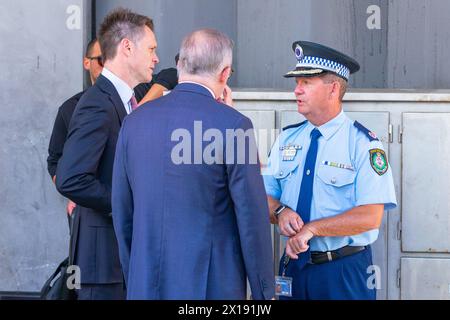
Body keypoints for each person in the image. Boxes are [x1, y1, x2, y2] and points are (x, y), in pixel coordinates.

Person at [111, 28, 275, 300]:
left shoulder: (133, 122)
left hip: (145, 284)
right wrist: (264, 292)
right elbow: (252, 220)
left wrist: (136, 276)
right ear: (224, 74)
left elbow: (122, 211)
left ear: (179, 66)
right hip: (210, 288)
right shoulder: (235, 126)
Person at [263, 41, 397, 300]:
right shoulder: (286, 140)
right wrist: (280, 212)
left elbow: (370, 217)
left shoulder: (363, 144)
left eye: (306, 83)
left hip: (343, 272)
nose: (296, 91)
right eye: (296, 83)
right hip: (294, 268)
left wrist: (312, 229)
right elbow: (263, 196)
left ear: (333, 89)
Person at [55, 8, 159, 300]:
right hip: (102, 267)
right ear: (127, 47)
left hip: (116, 262)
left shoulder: (123, 100)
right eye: (151, 49)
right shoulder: (98, 103)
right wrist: (125, 203)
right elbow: (71, 179)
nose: (156, 58)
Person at [47, 38, 103, 218]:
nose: (107, 66)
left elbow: (169, 75)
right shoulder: (69, 108)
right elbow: (55, 161)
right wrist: (75, 194)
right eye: (101, 59)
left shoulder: (134, 98)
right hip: (88, 211)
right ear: (87, 62)